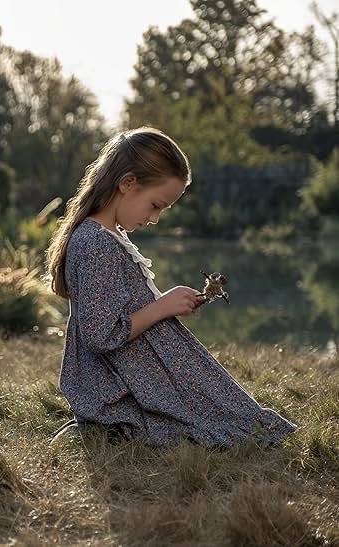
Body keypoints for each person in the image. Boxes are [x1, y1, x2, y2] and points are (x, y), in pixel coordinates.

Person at [44, 127, 300, 449]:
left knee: (230, 416)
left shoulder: (109, 237)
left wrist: (169, 303)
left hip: (134, 372)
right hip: (113, 389)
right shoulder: (96, 244)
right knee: (217, 427)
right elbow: (101, 334)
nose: (155, 219)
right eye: (155, 205)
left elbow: (124, 310)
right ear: (127, 184)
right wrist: (162, 307)